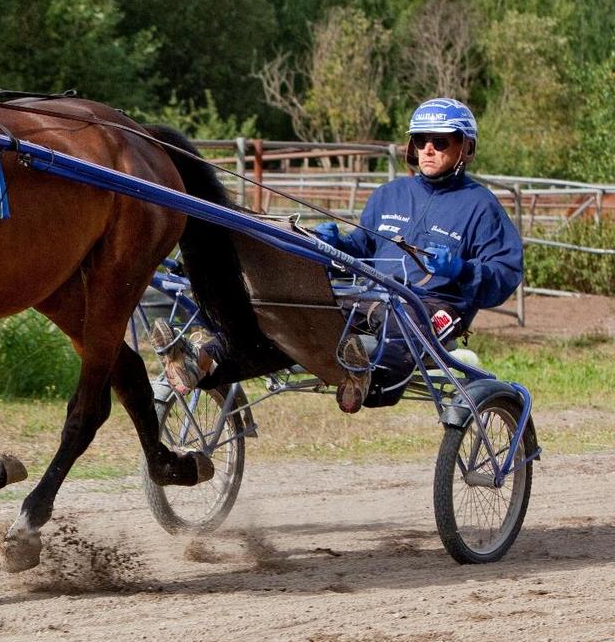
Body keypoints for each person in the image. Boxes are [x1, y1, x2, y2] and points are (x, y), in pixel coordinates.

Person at [151, 97, 524, 413]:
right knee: (296, 322)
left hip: (436, 304)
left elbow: (505, 273)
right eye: (422, 140)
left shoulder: (482, 207)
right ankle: (204, 360)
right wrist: (337, 244)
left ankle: (368, 380)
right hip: (371, 295)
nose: (428, 148)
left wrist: (462, 269)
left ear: (466, 148)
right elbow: (363, 247)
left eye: (441, 142)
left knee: (403, 319)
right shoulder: (390, 195)